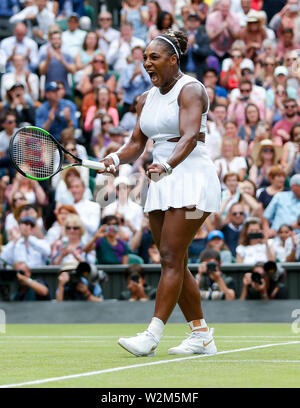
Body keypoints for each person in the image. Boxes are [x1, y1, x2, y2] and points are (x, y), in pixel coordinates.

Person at [98, 30, 221, 356]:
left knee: (169, 256)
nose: (147, 63)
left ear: (172, 60)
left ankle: (152, 335)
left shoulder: (191, 89)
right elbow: (137, 144)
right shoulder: (146, 98)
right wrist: (114, 158)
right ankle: (202, 336)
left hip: (194, 181)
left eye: (154, 57)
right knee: (175, 260)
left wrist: (167, 165)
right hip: (162, 181)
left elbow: (191, 135)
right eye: (144, 58)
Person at [38, 30, 76, 98]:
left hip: (65, 91)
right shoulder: (45, 55)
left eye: (58, 38)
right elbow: (42, 72)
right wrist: (48, 59)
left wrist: (62, 60)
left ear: (61, 40)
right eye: (54, 39)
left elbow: (73, 71)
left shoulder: (67, 56)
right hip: (49, 91)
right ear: (50, 41)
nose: (56, 41)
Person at [180, 13, 212, 81]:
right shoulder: (181, 37)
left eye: (195, 20)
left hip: (199, 73)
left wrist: (194, 46)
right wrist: (188, 45)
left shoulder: (204, 37)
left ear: (199, 23)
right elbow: (177, 54)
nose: (192, 22)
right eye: (190, 20)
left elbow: (206, 53)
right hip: (182, 73)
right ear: (186, 22)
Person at [120, 45, 152, 113]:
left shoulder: (147, 67)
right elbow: (124, 86)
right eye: (135, 53)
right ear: (132, 55)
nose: (137, 56)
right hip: (129, 101)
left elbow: (150, 83)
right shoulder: (126, 68)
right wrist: (133, 77)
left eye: (139, 54)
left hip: (143, 101)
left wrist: (142, 74)